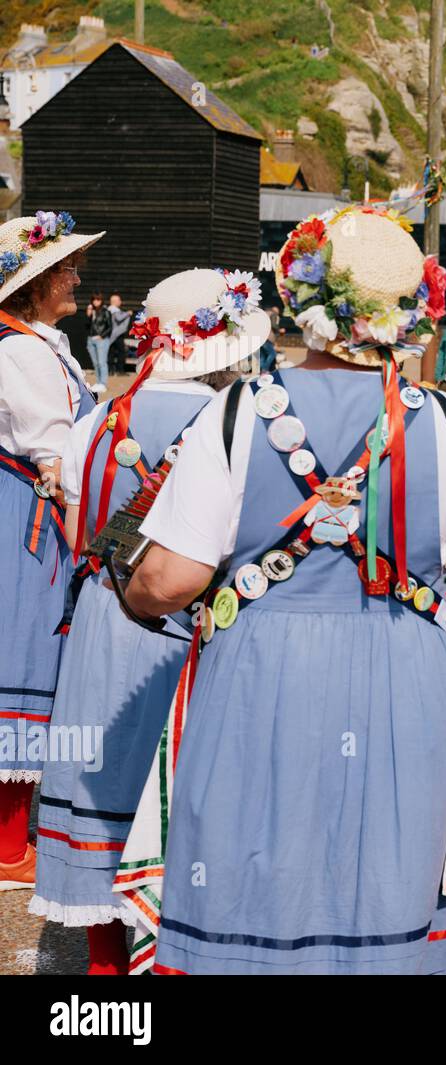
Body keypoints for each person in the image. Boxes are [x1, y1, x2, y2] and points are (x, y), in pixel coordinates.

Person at [122, 205, 446, 973]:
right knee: (385, 853)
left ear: (303, 308)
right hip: (405, 669)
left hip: (264, 667)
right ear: (407, 317)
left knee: (254, 844)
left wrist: (133, 595)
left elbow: (171, 580)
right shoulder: (444, 421)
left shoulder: (238, 411)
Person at [29, 268, 262, 974]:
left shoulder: (100, 418)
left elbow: (76, 529)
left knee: (103, 779)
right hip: (183, 627)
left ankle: (105, 965)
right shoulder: (235, 421)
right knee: (176, 792)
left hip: (104, 616)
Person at [0, 210, 102, 892]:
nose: (74, 277)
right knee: (24, 659)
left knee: (29, 659)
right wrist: (88, 533)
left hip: (31, 512)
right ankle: (8, 848)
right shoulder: (21, 352)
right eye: (61, 269)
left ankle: (12, 835)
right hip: (28, 518)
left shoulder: (39, 343)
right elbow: (54, 453)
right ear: (32, 286)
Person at [85, 292, 112, 394]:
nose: (96, 302)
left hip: (101, 340)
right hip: (91, 339)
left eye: (98, 299)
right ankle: (98, 382)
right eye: (94, 299)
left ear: (101, 300)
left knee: (102, 362)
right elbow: (87, 326)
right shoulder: (91, 311)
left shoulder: (106, 311)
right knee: (96, 363)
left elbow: (110, 327)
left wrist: (102, 336)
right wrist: (89, 314)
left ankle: (103, 383)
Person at [106, 292, 132, 374]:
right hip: (117, 334)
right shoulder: (114, 310)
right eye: (119, 300)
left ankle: (110, 370)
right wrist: (128, 313)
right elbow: (119, 318)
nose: (120, 302)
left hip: (109, 335)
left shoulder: (108, 310)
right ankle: (120, 370)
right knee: (121, 352)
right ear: (115, 301)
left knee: (111, 352)